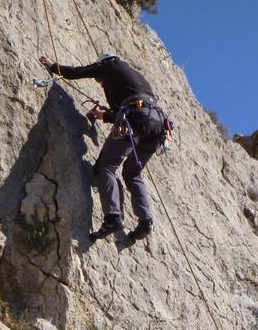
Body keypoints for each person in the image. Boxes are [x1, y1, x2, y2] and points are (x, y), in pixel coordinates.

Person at [39, 52, 165, 240]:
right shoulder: (134, 77)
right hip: (158, 124)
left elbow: (79, 72)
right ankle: (146, 221)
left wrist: (53, 66)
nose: (101, 83)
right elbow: (132, 108)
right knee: (132, 173)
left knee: (106, 167)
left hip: (135, 118)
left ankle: (113, 217)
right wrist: (102, 116)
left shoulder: (110, 65)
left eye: (100, 81)